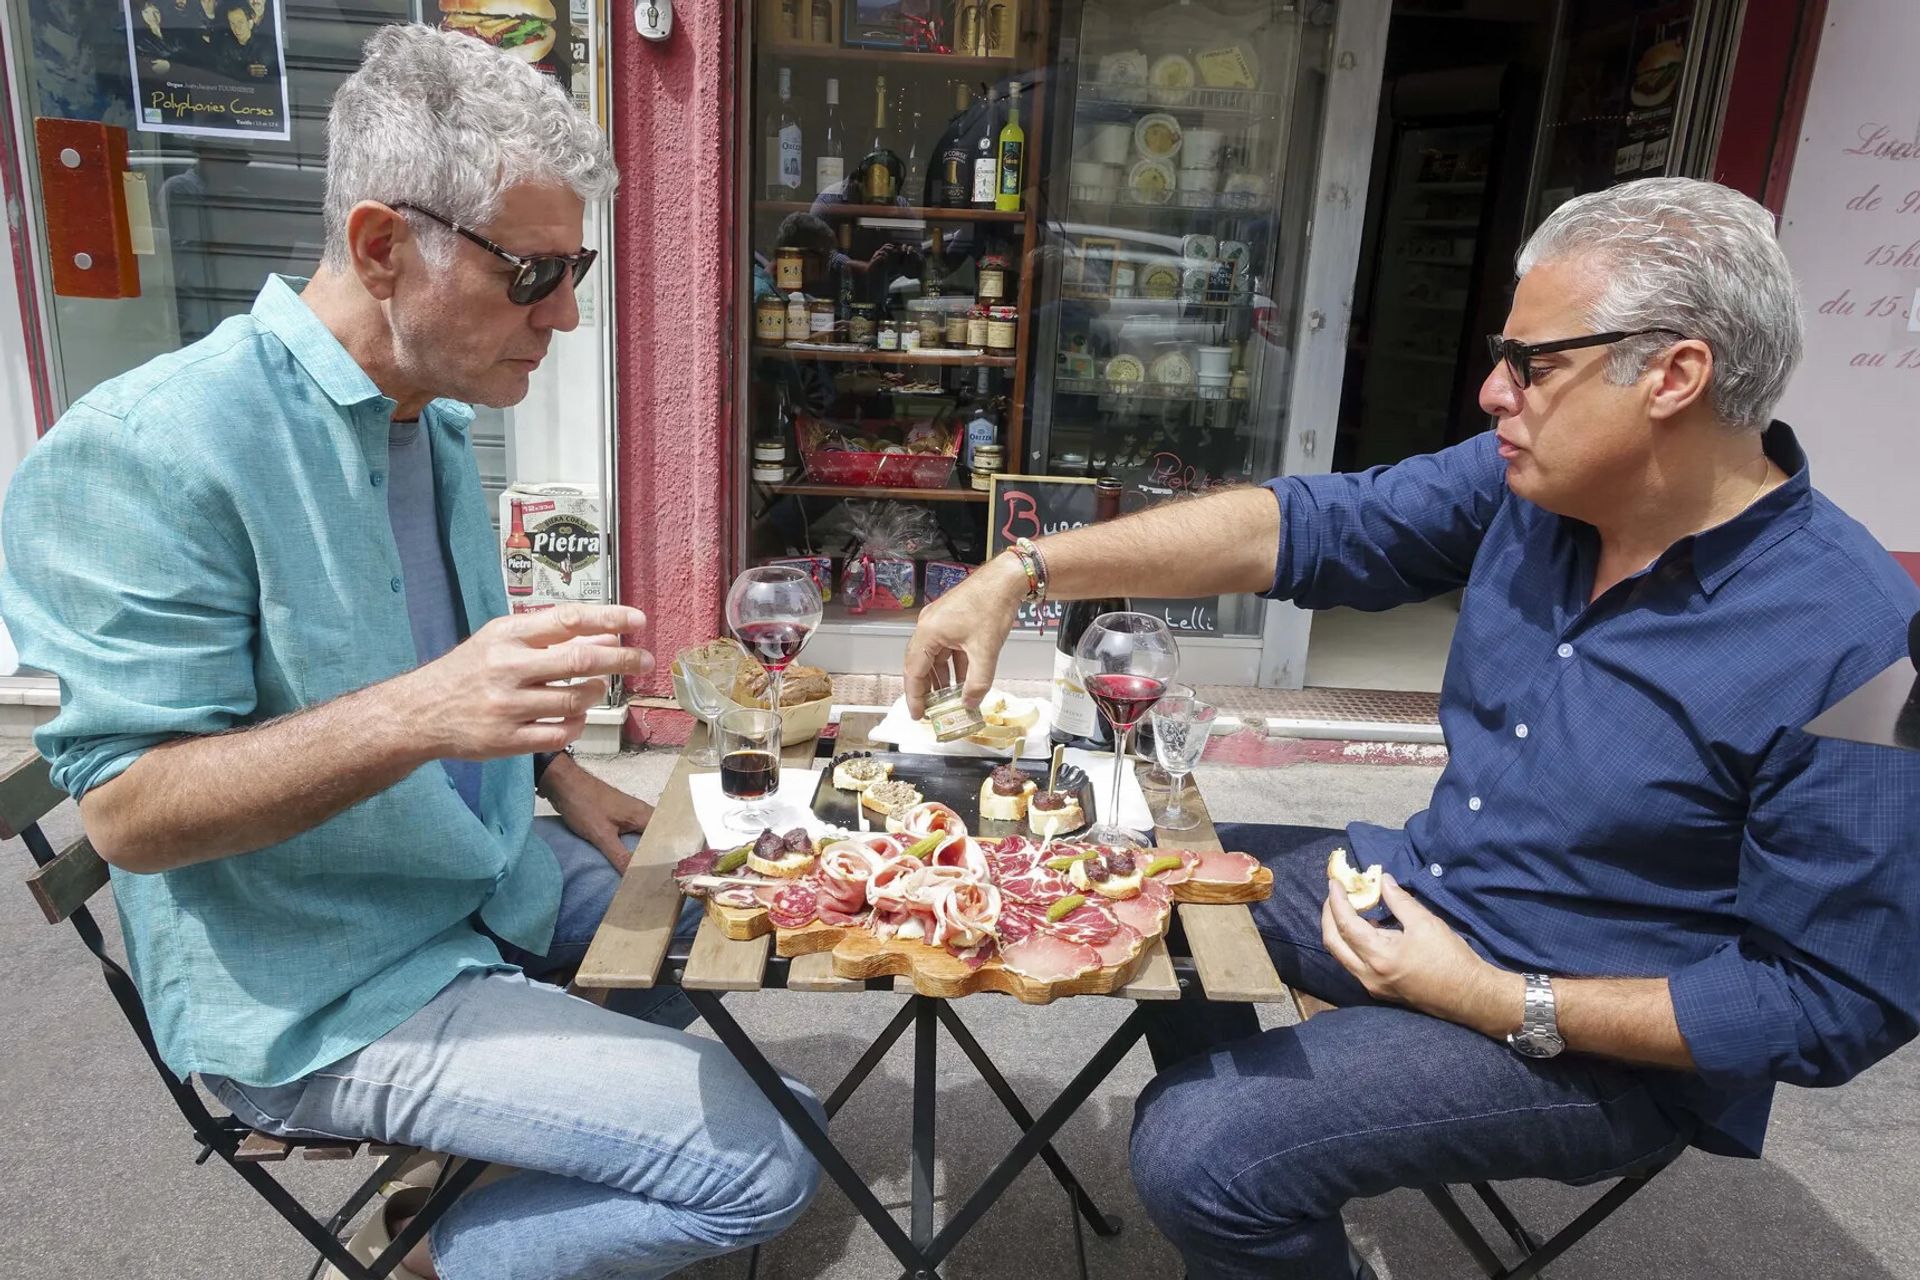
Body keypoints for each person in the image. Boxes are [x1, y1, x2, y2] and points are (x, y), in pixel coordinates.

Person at [901, 176, 1920, 1279]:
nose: (1493, 391)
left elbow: (1833, 998)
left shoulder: (1858, 639)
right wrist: (1026, 566)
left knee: (1202, 1146)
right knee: (1139, 867)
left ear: (1675, 375)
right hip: (1421, 892)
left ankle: (1252, 1154)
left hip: (1595, 1033)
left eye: (1534, 363)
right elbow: (1300, 528)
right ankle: (1283, 1155)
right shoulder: (1530, 489)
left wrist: (1490, 997)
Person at [0, 25, 818, 1280]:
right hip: (322, 986)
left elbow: (428, 654)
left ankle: (512, 1159)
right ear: (383, 246)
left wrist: (554, 772)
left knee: (738, 926)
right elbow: (130, 815)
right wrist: (430, 711)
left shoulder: (423, 420)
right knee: (758, 1161)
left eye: (577, 265)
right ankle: (421, 1261)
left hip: (471, 872)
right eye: (535, 271)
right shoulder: (149, 451)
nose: (571, 310)